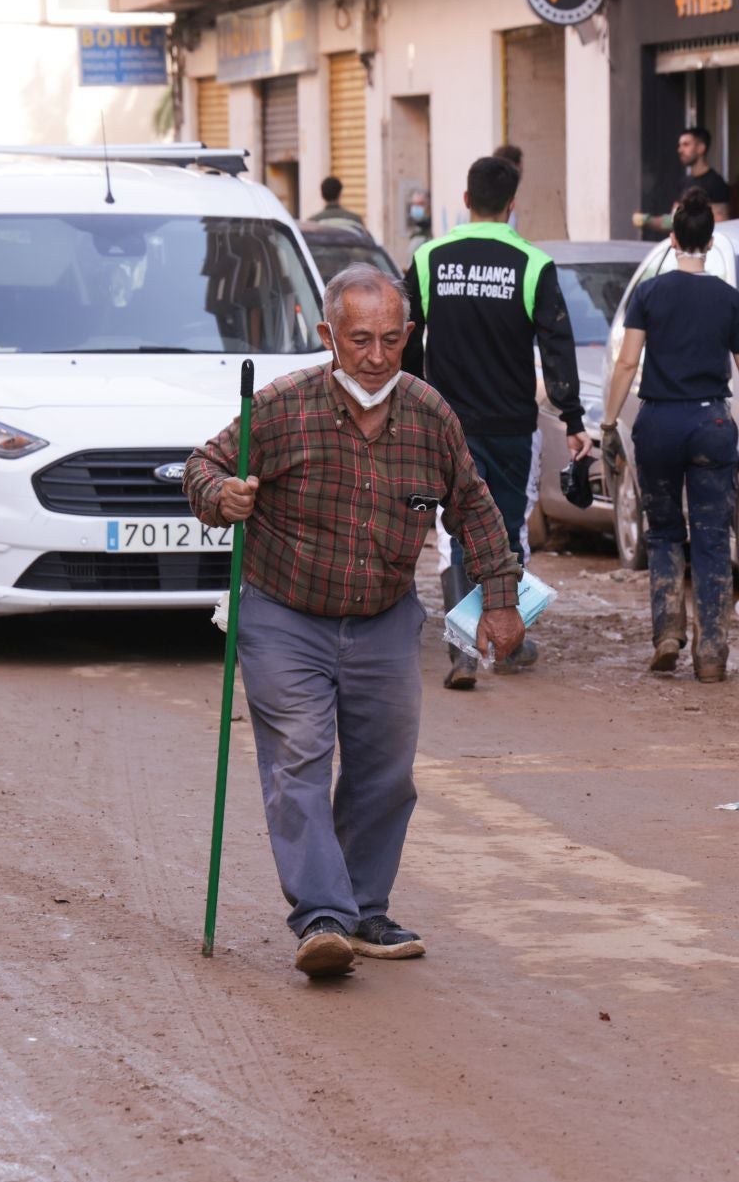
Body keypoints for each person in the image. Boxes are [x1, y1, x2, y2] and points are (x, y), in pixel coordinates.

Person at [184, 264, 526, 979]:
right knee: (300, 757)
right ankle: (322, 919)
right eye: (359, 338)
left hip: (382, 618)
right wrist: (224, 497)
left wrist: (500, 598)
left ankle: (364, 907)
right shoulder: (282, 407)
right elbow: (202, 467)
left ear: (409, 336)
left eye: (392, 339)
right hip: (284, 615)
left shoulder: (430, 415)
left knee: (384, 771)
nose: (375, 356)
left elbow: (473, 504)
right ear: (327, 335)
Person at [405, 155, 587, 690]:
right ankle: (506, 646)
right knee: (505, 532)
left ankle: (463, 648)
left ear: (465, 201)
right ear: (512, 206)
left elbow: (405, 335)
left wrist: (412, 400)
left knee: (455, 530)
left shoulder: (429, 258)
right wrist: (573, 416)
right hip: (511, 426)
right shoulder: (532, 264)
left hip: (446, 424)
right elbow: (558, 345)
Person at [602, 188, 739, 683]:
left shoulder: (649, 293)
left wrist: (610, 422)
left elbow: (629, 361)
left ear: (673, 240)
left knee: (665, 531)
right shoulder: (729, 299)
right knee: (713, 537)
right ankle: (712, 651)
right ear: (711, 242)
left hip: (657, 424)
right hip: (710, 424)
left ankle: (667, 633)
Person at [632, 126, 731, 233]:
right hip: (683, 248)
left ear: (701, 148)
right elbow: (673, 221)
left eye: (686, 144)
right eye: (680, 145)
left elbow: (720, 226)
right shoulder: (684, 182)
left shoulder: (715, 183)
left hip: (703, 248)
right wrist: (646, 220)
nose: (680, 150)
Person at [403, 187, 432, 263]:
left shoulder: (429, 233)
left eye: (421, 204)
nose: (416, 208)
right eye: (414, 204)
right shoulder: (415, 232)